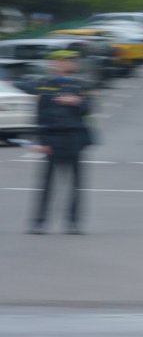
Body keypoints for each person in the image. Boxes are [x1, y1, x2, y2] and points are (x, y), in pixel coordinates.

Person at [27, 49, 92, 234]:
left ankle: (73, 223)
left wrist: (76, 102)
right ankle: (39, 222)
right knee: (47, 184)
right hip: (53, 138)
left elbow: (89, 108)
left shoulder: (80, 85)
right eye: (68, 60)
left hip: (74, 138)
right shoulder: (46, 86)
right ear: (58, 63)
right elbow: (40, 116)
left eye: (73, 60)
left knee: (76, 184)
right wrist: (42, 141)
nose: (73, 63)